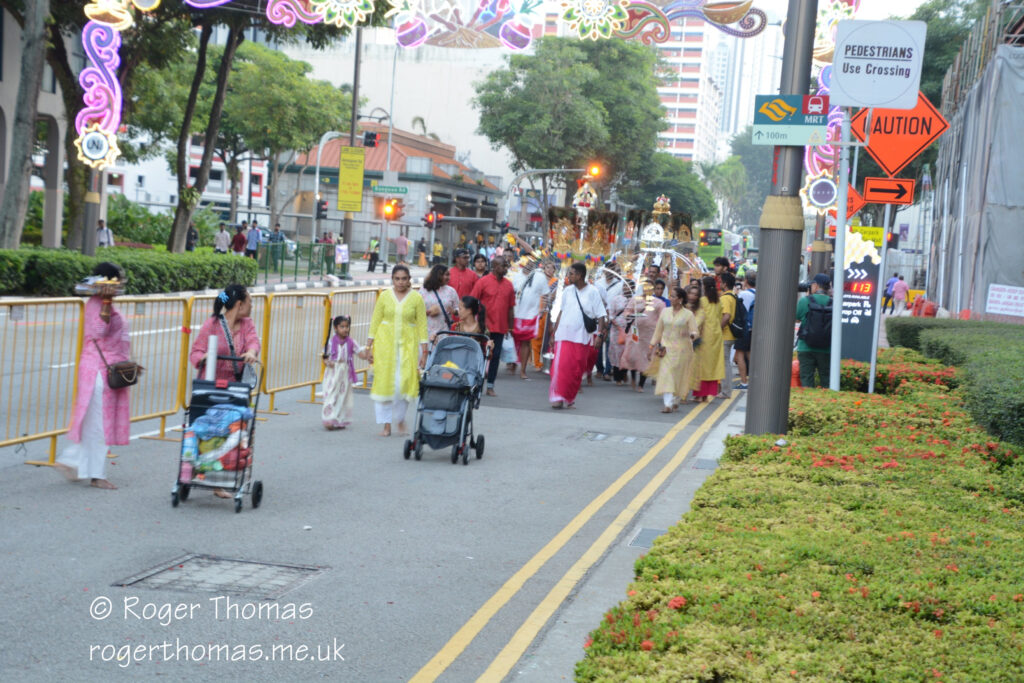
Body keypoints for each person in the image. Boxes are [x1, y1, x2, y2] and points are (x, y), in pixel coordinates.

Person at [55, 263, 130, 490]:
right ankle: (96, 474)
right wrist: (107, 303)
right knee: (99, 423)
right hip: (99, 370)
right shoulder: (98, 304)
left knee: (92, 422)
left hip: (101, 367)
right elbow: (99, 332)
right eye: (118, 280)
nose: (121, 284)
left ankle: (72, 459)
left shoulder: (97, 303)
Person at [366, 265, 428, 437]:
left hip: (408, 348)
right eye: (397, 278)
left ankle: (400, 418)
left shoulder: (416, 299)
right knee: (385, 385)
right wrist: (368, 346)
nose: (400, 282)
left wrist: (425, 351)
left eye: (404, 278)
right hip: (385, 347)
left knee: (403, 384)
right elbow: (375, 320)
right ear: (392, 279)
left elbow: (422, 325)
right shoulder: (385, 296)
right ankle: (386, 425)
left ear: (409, 279)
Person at [549, 262, 606, 409]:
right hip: (563, 335)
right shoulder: (567, 291)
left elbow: (601, 316)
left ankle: (569, 398)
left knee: (576, 370)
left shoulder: (593, 292)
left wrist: (599, 335)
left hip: (581, 337)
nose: (569, 276)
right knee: (559, 368)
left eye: (572, 273)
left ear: (580, 275)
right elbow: (561, 312)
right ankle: (557, 397)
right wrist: (553, 333)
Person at [189, 284, 261, 384]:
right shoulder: (212, 324)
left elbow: (253, 341)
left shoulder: (247, 323)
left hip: (236, 386)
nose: (251, 305)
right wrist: (203, 357)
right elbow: (195, 352)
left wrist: (251, 353)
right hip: (211, 385)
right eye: (250, 301)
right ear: (240, 305)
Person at [470, 256, 516, 397]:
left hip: (500, 327)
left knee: (495, 357)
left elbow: (510, 308)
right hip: (483, 327)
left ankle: (490, 386)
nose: (506, 269)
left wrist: (510, 327)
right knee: (480, 356)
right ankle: (476, 385)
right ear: (495, 266)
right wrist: (472, 324)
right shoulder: (483, 282)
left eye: (506, 266)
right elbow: (472, 302)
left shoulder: (509, 285)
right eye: (503, 266)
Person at [650, 285, 700, 412]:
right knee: (667, 374)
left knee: (679, 376)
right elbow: (658, 330)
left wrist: (691, 335)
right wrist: (652, 344)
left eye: (673, 296)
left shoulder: (688, 314)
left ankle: (676, 399)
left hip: (683, 351)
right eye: (670, 296)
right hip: (666, 349)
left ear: (680, 299)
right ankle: (668, 404)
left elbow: (695, 331)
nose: (670, 298)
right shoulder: (665, 311)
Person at [321, 316, 367, 430]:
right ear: (335, 328)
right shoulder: (331, 342)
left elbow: (361, 354)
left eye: (347, 327)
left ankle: (339, 420)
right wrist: (328, 363)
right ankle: (328, 418)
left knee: (342, 397)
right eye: (342, 327)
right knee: (331, 395)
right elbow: (324, 357)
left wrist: (368, 354)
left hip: (344, 375)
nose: (345, 329)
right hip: (332, 374)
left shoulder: (351, 342)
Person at [619, 284, 667, 393]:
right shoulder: (635, 300)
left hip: (649, 334)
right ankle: (633, 378)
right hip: (635, 332)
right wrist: (628, 316)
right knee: (632, 356)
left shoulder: (658, 303)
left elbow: (662, 317)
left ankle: (641, 384)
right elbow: (627, 311)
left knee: (645, 358)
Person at [510, 259, 550, 380]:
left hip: (531, 315)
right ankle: (513, 363)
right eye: (526, 262)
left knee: (526, 342)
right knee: (513, 341)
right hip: (515, 314)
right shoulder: (515, 276)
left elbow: (546, 295)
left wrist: (543, 310)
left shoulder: (540, 277)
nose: (528, 264)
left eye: (531, 262)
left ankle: (523, 370)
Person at [796, 273, 832, 388]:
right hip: (826, 348)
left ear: (816, 285)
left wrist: (807, 297)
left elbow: (796, 319)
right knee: (826, 379)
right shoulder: (834, 303)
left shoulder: (805, 301)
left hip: (806, 347)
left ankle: (807, 403)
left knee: (806, 378)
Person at [693, 275, 725, 402]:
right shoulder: (719, 301)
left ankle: (699, 394)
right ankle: (707, 394)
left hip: (705, 335)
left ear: (704, 287)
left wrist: (691, 329)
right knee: (712, 365)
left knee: (701, 365)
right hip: (717, 336)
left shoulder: (703, 301)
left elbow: (699, 319)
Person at [531, 260, 560, 373]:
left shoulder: (556, 282)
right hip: (537, 310)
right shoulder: (539, 280)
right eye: (547, 267)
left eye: (552, 268)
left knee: (546, 338)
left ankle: (545, 361)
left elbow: (555, 297)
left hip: (549, 312)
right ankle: (536, 362)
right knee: (536, 337)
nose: (549, 270)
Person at [422, 264, 459, 341]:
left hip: (444, 331)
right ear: (438, 275)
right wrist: (426, 312)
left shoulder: (451, 291)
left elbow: (459, 309)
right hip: (427, 331)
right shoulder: (424, 291)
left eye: (449, 275)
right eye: (446, 275)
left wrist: (454, 311)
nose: (448, 278)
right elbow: (416, 310)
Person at [734, 269, 756, 389]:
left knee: (740, 354)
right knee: (750, 354)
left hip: (743, 328)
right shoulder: (760, 293)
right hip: (754, 328)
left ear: (746, 281)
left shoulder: (743, 294)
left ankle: (744, 382)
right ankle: (754, 381)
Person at [718, 271, 738, 397]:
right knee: (725, 363)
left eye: (720, 282)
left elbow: (726, 316)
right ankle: (724, 389)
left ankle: (725, 391)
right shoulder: (733, 296)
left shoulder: (725, 298)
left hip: (725, 335)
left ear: (724, 284)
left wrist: (717, 329)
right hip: (731, 335)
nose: (719, 284)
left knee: (725, 363)